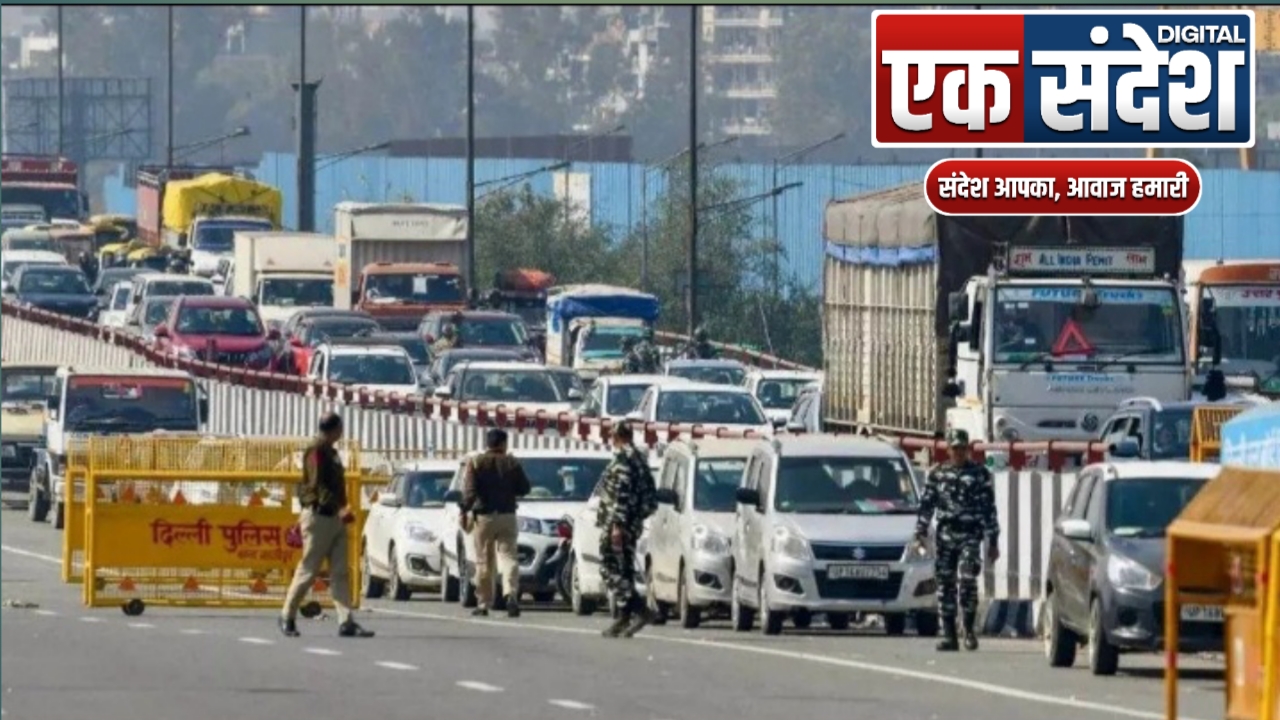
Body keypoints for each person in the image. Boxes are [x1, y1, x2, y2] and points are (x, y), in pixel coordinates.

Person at [280, 413, 374, 639]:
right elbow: (317, 485)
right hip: (319, 516)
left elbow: (335, 485)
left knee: (340, 571)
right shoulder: (316, 450)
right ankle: (287, 615)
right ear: (333, 429)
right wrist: (337, 507)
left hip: (335, 518)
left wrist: (342, 508)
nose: (342, 432)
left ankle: (346, 620)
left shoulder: (331, 452)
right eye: (340, 428)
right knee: (309, 570)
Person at [913, 428, 999, 652]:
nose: (959, 453)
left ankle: (968, 630)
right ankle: (950, 635)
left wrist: (993, 540)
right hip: (946, 534)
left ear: (968, 449)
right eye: (955, 448)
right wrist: (920, 532)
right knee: (945, 584)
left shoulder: (979, 474)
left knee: (968, 579)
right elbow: (927, 505)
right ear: (948, 450)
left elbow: (989, 508)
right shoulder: (938, 474)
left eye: (962, 448)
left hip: (970, 534)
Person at [595, 423, 660, 638]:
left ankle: (641, 610)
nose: (610, 439)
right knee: (624, 570)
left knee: (608, 567)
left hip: (620, 524)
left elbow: (622, 494)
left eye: (612, 435)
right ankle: (624, 616)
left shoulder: (625, 459)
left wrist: (617, 526)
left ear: (617, 436)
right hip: (630, 523)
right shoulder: (638, 458)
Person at [460, 428, 531, 618]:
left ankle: (483, 603)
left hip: (484, 517)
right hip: (507, 515)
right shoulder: (512, 462)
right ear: (503, 444)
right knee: (509, 557)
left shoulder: (476, 462)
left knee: (484, 561)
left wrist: (464, 509)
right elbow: (525, 488)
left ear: (488, 444)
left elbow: (470, 492)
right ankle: (511, 595)